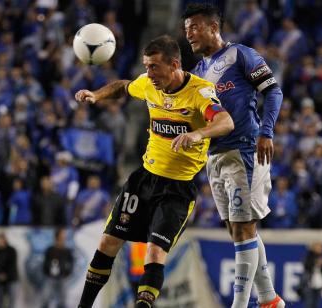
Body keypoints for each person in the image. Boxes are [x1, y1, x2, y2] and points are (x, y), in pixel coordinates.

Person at [75, 35, 234, 308]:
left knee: (154, 252)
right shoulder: (149, 85)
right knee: (108, 242)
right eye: (146, 66)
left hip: (177, 189)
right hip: (144, 180)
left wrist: (199, 133)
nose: (148, 73)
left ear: (174, 65)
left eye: (154, 67)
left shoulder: (200, 91)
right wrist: (97, 95)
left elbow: (225, 121)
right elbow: (124, 87)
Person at [182, 4, 284, 307]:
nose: (189, 34)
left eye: (195, 28)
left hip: (244, 149)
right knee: (236, 229)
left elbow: (273, 91)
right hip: (215, 157)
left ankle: (241, 304)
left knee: (243, 227)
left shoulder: (241, 55)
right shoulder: (198, 72)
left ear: (214, 27)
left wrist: (267, 132)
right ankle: (269, 300)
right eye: (186, 30)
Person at [42, 229, 74, 308]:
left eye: (64, 236)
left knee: (62, 299)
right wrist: (47, 271)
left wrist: (67, 273)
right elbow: (45, 262)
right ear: (57, 237)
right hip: (50, 277)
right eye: (62, 236)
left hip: (62, 277)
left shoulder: (67, 251)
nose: (64, 237)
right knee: (46, 297)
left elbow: (71, 263)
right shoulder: (50, 249)